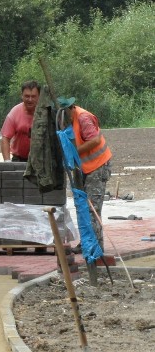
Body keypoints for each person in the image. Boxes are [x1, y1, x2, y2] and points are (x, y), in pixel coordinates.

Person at [57, 97, 112, 251]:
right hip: (84, 168)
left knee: (92, 208)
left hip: (98, 165)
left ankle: (95, 246)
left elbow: (94, 141)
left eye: (65, 113)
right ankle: (87, 242)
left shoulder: (83, 117)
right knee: (81, 205)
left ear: (71, 108)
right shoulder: (66, 120)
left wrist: (73, 152)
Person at [0, 80, 41, 161]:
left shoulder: (46, 113)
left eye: (33, 96)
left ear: (39, 96)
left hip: (41, 159)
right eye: (27, 96)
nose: (30, 99)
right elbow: (5, 138)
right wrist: (7, 162)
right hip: (19, 158)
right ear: (22, 96)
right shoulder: (14, 113)